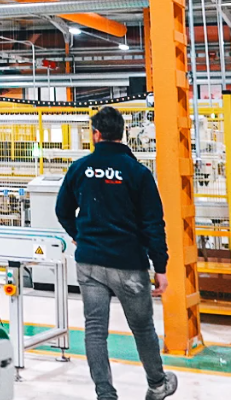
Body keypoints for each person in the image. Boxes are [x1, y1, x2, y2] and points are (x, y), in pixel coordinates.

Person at [54, 106, 178, 400]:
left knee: (95, 330)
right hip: (128, 263)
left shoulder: (80, 168)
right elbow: (153, 223)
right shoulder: (138, 172)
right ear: (122, 134)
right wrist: (160, 267)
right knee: (142, 328)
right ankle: (157, 385)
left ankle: (105, 393)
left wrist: (79, 236)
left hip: (89, 263)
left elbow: (62, 210)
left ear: (96, 134)